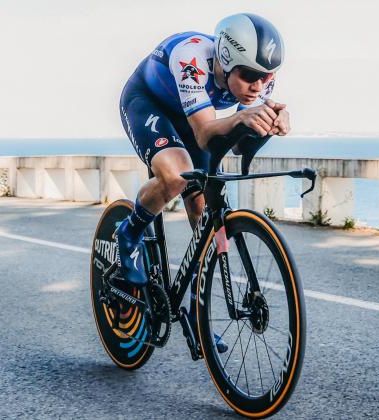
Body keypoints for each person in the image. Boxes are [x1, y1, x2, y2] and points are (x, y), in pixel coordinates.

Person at [115, 13, 291, 353]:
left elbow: (237, 144)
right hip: (149, 104)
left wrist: (267, 126)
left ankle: (196, 310)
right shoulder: (192, 58)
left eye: (266, 76)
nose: (259, 85)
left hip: (198, 116)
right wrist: (242, 117)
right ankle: (130, 231)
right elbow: (204, 132)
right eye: (250, 76)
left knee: (204, 203)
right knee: (177, 176)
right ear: (225, 61)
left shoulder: (260, 82)